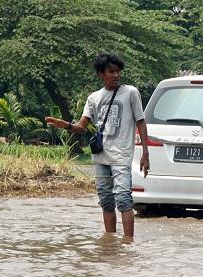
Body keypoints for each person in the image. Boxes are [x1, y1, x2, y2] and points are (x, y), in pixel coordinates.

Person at [46, 52, 149, 239]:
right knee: (106, 200)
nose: (116, 75)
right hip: (100, 157)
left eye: (118, 71)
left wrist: (145, 154)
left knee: (124, 199)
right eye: (111, 71)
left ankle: (128, 244)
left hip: (121, 156)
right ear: (101, 74)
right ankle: (109, 242)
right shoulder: (94, 98)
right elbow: (81, 127)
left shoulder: (131, 93)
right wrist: (66, 125)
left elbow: (141, 122)